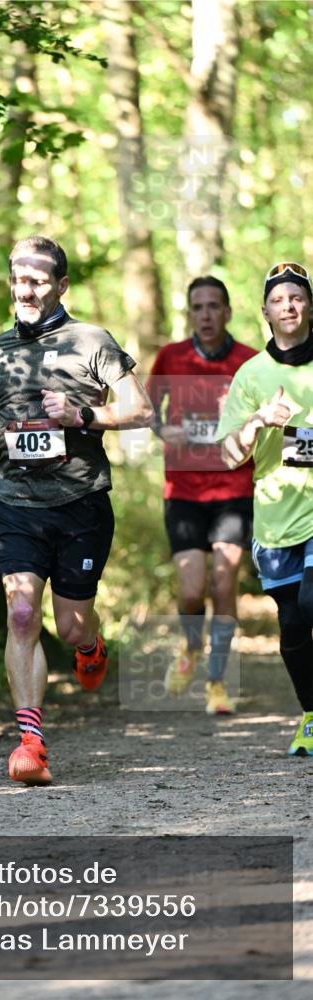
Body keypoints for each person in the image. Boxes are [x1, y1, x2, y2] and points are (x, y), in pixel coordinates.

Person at [0, 235, 154, 785]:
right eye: (18, 280)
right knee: (22, 613)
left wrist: (82, 416)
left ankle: (90, 644)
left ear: (61, 285)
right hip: (15, 505)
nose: (25, 291)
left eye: (37, 281)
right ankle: (30, 744)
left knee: (69, 628)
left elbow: (141, 410)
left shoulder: (91, 341)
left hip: (80, 503)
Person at [147, 278, 257, 715]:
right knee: (192, 590)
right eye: (198, 307)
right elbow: (146, 411)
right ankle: (192, 645)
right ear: (190, 313)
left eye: (214, 306)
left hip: (234, 486)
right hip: (184, 489)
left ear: (227, 311)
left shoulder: (249, 361)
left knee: (224, 582)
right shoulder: (171, 357)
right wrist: (162, 430)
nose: (206, 315)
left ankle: (217, 681)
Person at [217, 261, 313, 755]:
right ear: (265, 313)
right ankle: (311, 716)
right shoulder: (251, 375)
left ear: (310, 307)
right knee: (293, 624)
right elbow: (229, 455)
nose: (288, 306)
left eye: (296, 297)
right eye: (278, 300)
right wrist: (257, 421)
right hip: (276, 520)